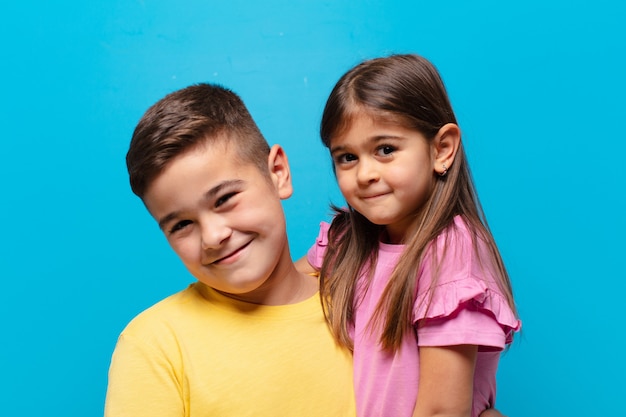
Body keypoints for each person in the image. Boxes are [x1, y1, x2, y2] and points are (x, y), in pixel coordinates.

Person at [104, 83, 356, 417]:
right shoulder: (155, 346)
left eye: (224, 199)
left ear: (277, 172)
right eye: (181, 225)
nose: (212, 236)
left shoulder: (362, 300)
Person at [297, 54, 521, 417]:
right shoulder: (345, 242)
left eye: (385, 150)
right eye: (347, 157)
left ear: (441, 149)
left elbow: (441, 410)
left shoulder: (451, 253)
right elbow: (282, 289)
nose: (365, 173)